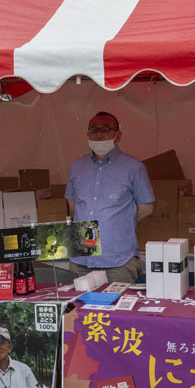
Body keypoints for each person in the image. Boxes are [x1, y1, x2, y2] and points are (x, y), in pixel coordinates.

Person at [65, 111, 155, 283]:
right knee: (77, 309)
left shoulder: (133, 167)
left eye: (105, 130)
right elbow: (73, 205)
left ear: (117, 135)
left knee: (118, 309)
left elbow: (146, 208)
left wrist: (119, 224)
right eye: (94, 129)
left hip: (118, 261)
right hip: (80, 260)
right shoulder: (77, 167)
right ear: (87, 134)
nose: (99, 135)